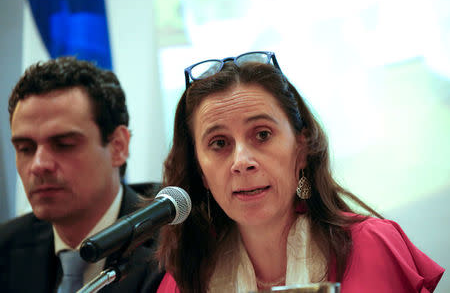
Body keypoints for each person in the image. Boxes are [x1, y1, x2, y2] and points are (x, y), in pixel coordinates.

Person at [154, 51, 445, 293]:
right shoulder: (183, 283)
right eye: (219, 143)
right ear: (201, 172)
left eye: (263, 134)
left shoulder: (373, 247)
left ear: (302, 148)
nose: (241, 161)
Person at [0, 57, 163, 293]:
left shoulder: (174, 246)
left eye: (64, 144)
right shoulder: (6, 249)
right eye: (25, 148)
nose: (39, 165)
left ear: (118, 146)